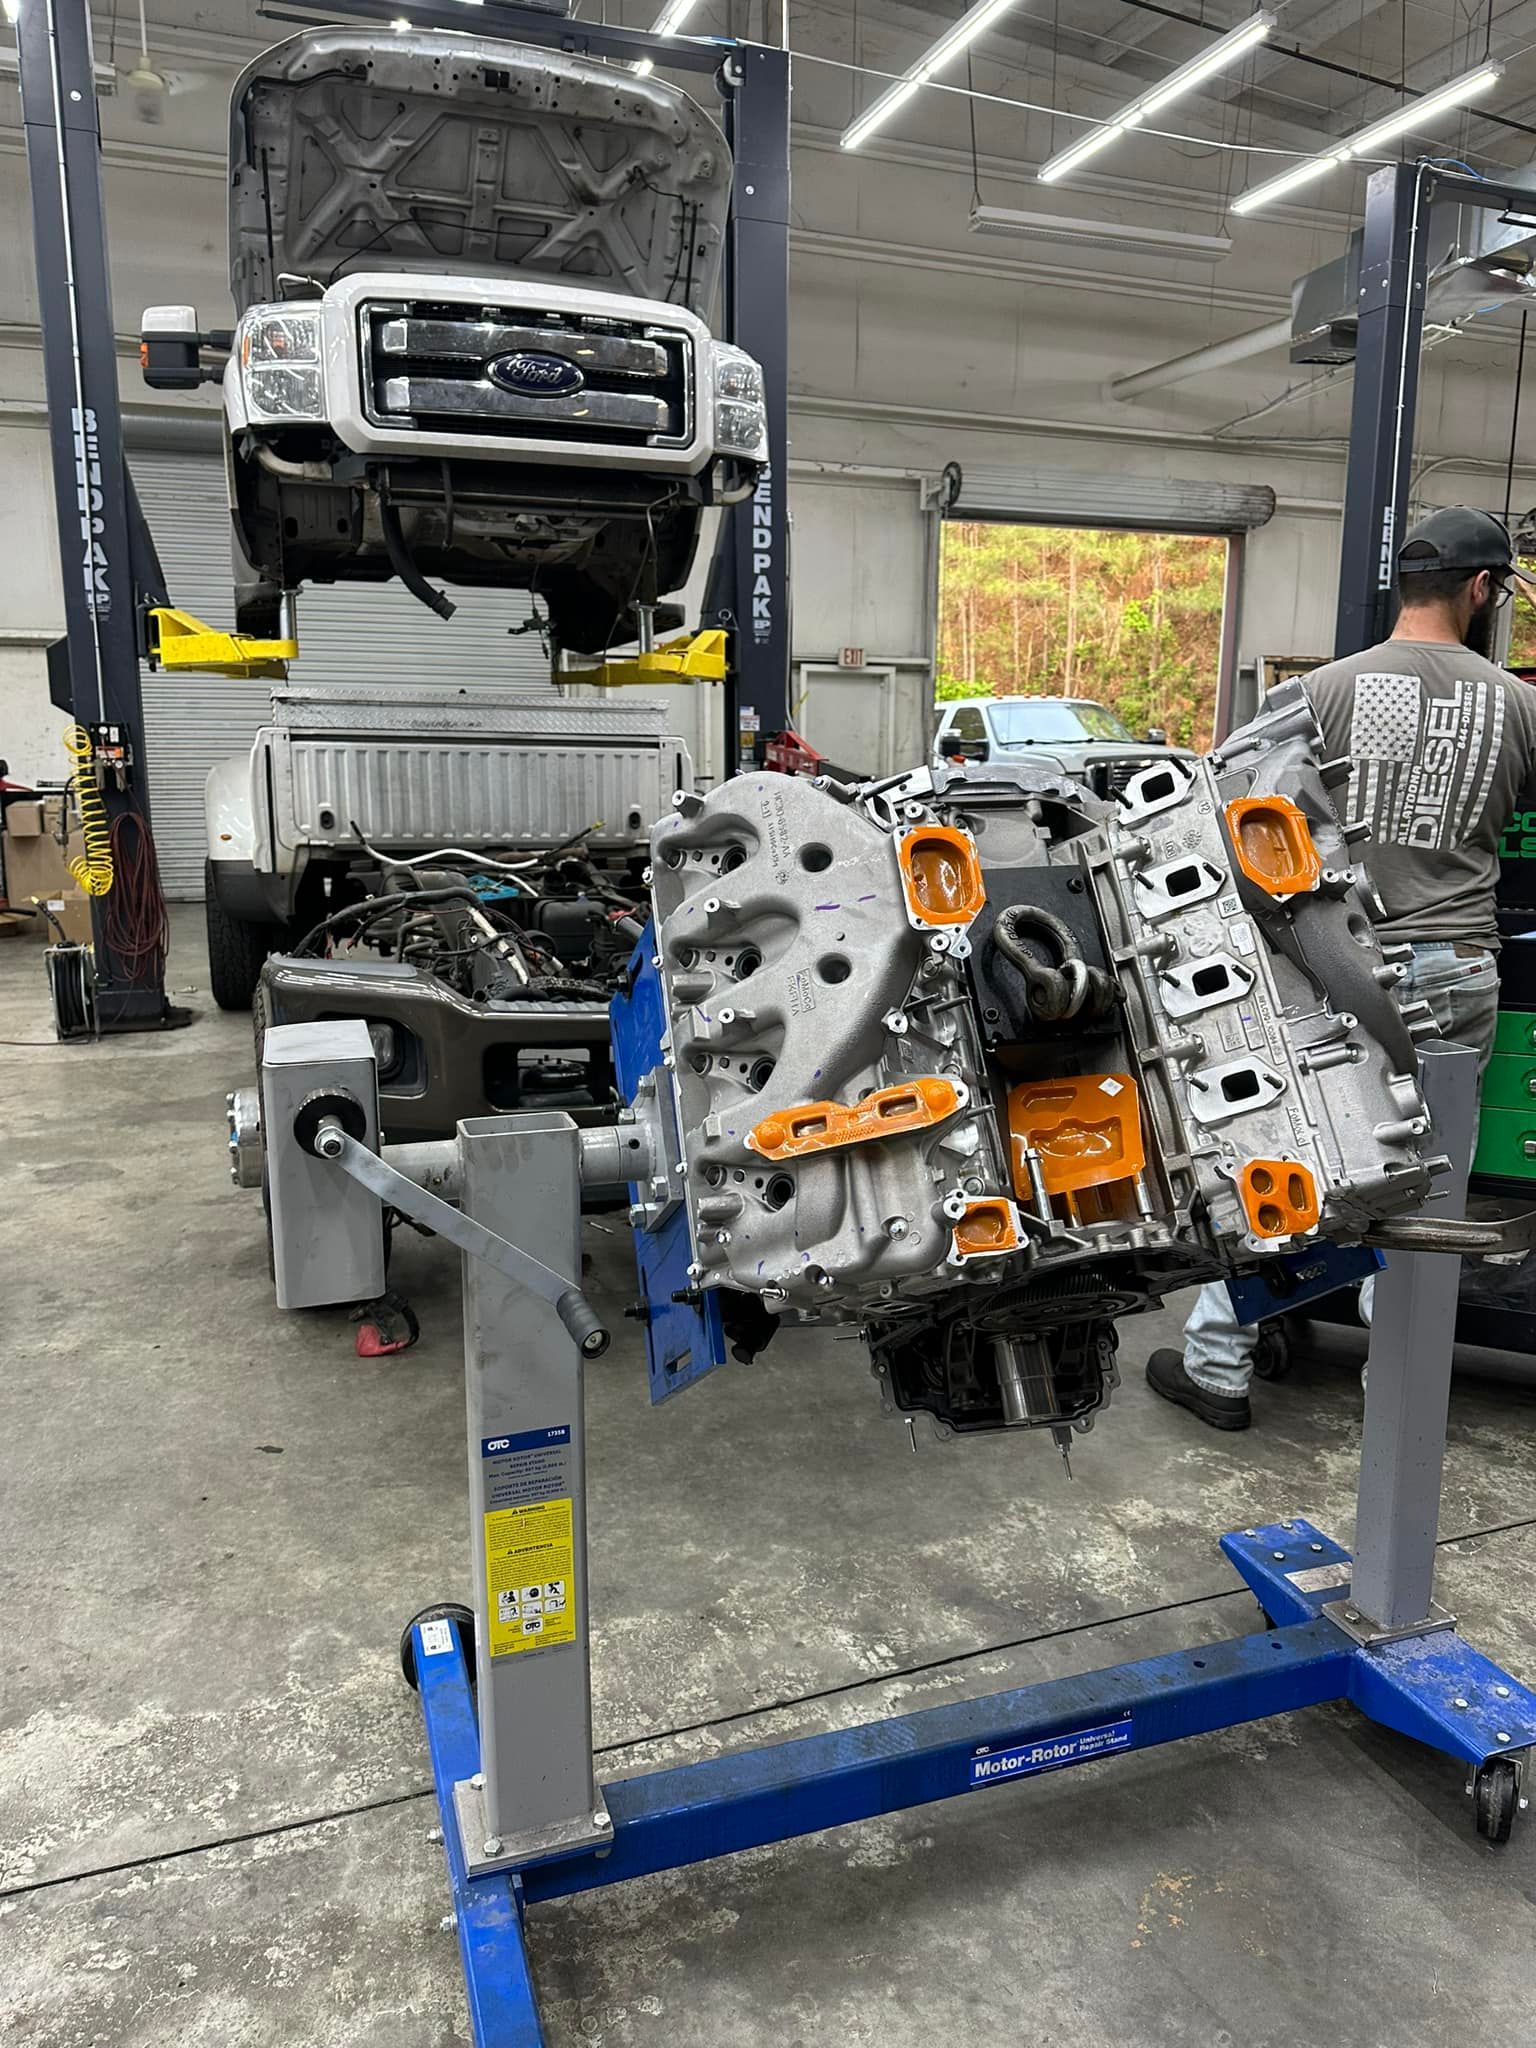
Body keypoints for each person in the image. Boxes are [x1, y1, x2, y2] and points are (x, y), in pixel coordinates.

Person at [1147, 505, 1536, 1430]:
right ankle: (1394, 1397)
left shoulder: (1317, 694)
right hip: (1457, 970)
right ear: (1482, 589)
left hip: (1332, 967)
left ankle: (1219, 1368)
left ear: (1404, 585)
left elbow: (1226, 815)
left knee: (1289, 1156)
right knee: (1421, 1185)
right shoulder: (1521, 704)